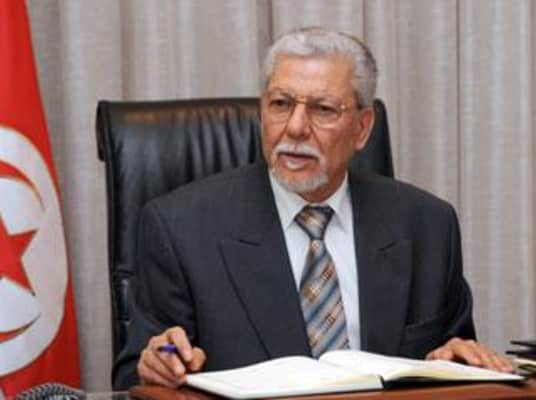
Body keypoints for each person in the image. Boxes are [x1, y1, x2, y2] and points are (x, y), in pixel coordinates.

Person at [112, 27, 513, 390]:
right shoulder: (180, 228)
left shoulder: (428, 226)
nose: (296, 127)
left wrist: (459, 360)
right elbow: (137, 372)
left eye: (323, 109)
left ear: (362, 128)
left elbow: (456, 359)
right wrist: (160, 361)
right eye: (281, 104)